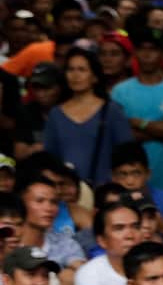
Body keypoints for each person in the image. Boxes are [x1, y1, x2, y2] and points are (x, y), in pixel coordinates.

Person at [110, 26, 163, 198]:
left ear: (162, 53)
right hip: (127, 179)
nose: (146, 55)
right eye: (141, 49)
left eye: (152, 49)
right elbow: (121, 135)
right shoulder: (120, 91)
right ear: (135, 53)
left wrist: (138, 123)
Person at [43, 46, 134, 187]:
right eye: (70, 69)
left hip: (105, 192)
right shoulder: (56, 114)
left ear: (95, 76)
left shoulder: (111, 111)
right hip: (66, 193)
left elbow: (128, 155)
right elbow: (49, 158)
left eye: (82, 70)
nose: (75, 75)